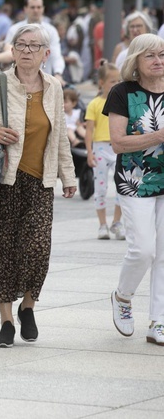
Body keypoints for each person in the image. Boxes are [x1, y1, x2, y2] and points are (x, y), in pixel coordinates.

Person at [0, 23, 76, 348]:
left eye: (33, 46)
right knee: (1, 253)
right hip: (2, 182)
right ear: (12, 51)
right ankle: (7, 321)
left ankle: (28, 306)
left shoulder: (53, 87)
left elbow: (60, 138)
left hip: (40, 182)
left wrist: (67, 176)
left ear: (46, 54)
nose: (26, 50)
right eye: (21, 45)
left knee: (37, 249)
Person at [105, 34, 164, 345]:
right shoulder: (122, 93)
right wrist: (159, 136)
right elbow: (118, 143)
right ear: (136, 61)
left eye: (163, 54)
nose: (159, 60)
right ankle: (123, 297)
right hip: (135, 180)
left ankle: (159, 320)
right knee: (143, 250)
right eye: (151, 56)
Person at [84, 61, 124, 240]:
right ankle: (102, 225)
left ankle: (117, 222)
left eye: (118, 81)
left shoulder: (122, 102)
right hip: (100, 147)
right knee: (100, 188)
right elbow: (89, 131)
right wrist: (89, 152)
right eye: (112, 81)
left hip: (118, 148)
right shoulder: (94, 104)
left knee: (122, 187)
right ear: (102, 83)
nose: (116, 84)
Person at [0, 0, 65, 82]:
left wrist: (58, 73)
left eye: (39, 7)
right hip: (18, 80)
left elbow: (56, 55)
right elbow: (9, 53)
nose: (36, 10)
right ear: (25, 9)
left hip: (44, 80)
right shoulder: (14, 29)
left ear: (43, 9)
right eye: (32, 7)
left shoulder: (51, 31)